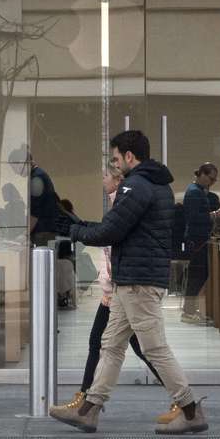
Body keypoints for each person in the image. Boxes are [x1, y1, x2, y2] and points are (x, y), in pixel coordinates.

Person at [50, 129, 207, 435]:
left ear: (130, 156)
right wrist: (80, 225)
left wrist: (74, 229)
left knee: (154, 348)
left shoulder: (135, 185)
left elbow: (111, 231)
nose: (115, 164)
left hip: (139, 281)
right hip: (132, 279)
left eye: (116, 158)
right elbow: (121, 227)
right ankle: (89, 410)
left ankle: (190, 410)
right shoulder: (157, 184)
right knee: (111, 345)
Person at [55, 161, 171, 419]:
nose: (102, 180)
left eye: (106, 175)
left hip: (121, 291)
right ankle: (88, 402)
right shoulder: (119, 200)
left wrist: (108, 287)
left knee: (138, 347)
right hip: (118, 289)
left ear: (118, 180)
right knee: (107, 344)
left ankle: (183, 401)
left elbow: (110, 242)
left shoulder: (125, 200)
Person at [181, 162, 220, 323]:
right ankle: (188, 312)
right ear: (202, 175)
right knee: (197, 276)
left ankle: (190, 310)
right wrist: (215, 215)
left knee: (198, 275)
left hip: (198, 239)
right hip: (197, 239)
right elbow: (194, 218)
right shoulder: (194, 193)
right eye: (211, 179)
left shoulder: (197, 191)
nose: (212, 183)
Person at [12, 146, 61, 245]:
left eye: (14, 168)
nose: (15, 172)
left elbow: (35, 211)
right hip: (45, 230)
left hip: (43, 232)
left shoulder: (37, 179)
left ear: (22, 162)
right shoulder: (38, 175)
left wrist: (24, 234)